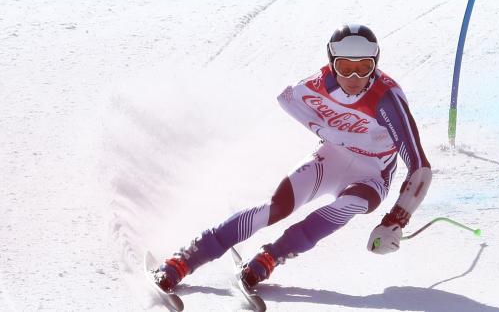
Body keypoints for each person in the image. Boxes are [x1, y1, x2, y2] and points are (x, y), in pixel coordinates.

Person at [153, 24, 433, 292]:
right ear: (331, 62)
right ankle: (186, 258)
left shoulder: (387, 99)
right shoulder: (314, 84)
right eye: (345, 68)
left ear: (376, 63)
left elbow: (420, 168)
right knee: (275, 208)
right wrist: (327, 132)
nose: (355, 78)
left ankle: (272, 256)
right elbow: (287, 99)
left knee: (347, 206)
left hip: (372, 176)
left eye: (364, 68)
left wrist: (394, 221)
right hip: (332, 159)